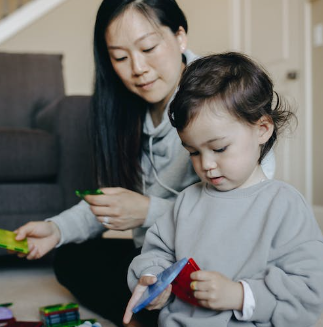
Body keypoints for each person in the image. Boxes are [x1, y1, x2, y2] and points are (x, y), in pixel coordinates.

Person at [14, 1, 275, 326]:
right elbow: (117, 200)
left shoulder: (217, 101)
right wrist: (56, 230)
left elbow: (244, 213)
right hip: (156, 254)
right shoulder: (127, 109)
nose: (137, 68)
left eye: (148, 47)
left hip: (216, 258)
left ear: (180, 36)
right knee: (71, 257)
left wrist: (148, 211)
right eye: (120, 57)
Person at [124, 52, 323, 327]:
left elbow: (307, 288)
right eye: (193, 153)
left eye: (219, 148)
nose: (206, 165)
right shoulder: (188, 200)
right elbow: (157, 252)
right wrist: (153, 278)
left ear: (262, 129)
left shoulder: (284, 205)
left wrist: (240, 295)